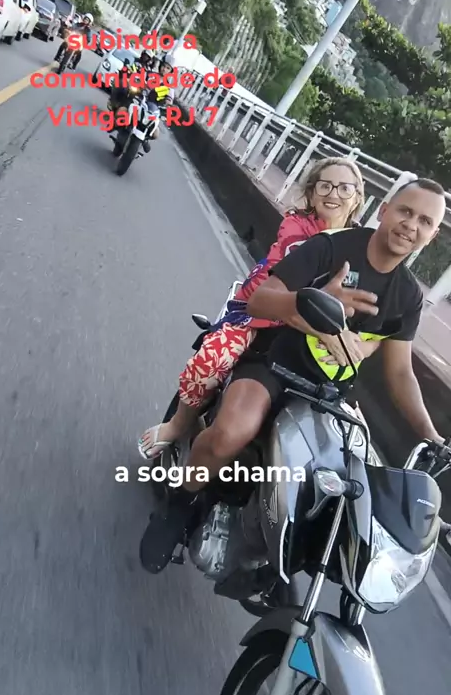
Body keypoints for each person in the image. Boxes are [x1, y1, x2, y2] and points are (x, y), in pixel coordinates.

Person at [139, 178, 448, 574]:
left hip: (327, 395)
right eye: (406, 211)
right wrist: (310, 302)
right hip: (274, 365)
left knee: (345, 487)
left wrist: (432, 436)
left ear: (432, 236)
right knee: (232, 432)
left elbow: (401, 371)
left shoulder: (408, 296)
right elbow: (260, 299)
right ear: (385, 210)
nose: (411, 224)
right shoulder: (331, 247)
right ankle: (178, 504)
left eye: (425, 221)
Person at [138, 157, 369, 459]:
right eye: (325, 186)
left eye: (344, 188)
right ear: (312, 193)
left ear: (357, 198)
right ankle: (177, 424)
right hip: (261, 315)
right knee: (211, 360)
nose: (333, 194)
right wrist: (327, 331)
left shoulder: (362, 247)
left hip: (314, 329)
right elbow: (287, 293)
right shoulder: (297, 228)